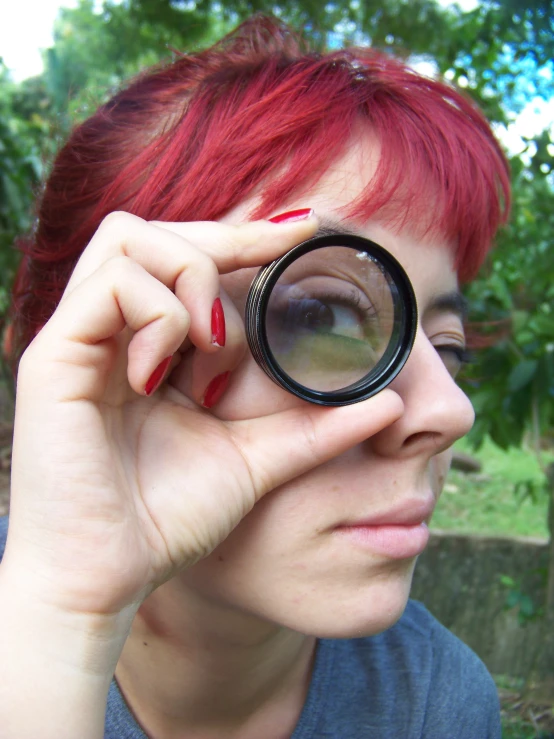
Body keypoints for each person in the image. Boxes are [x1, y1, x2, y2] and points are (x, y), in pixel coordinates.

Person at [0, 14, 510, 739]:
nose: (449, 411)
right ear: (91, 363)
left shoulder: (436, 703)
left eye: (449, 346)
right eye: (324, 318)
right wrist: (61, 619)